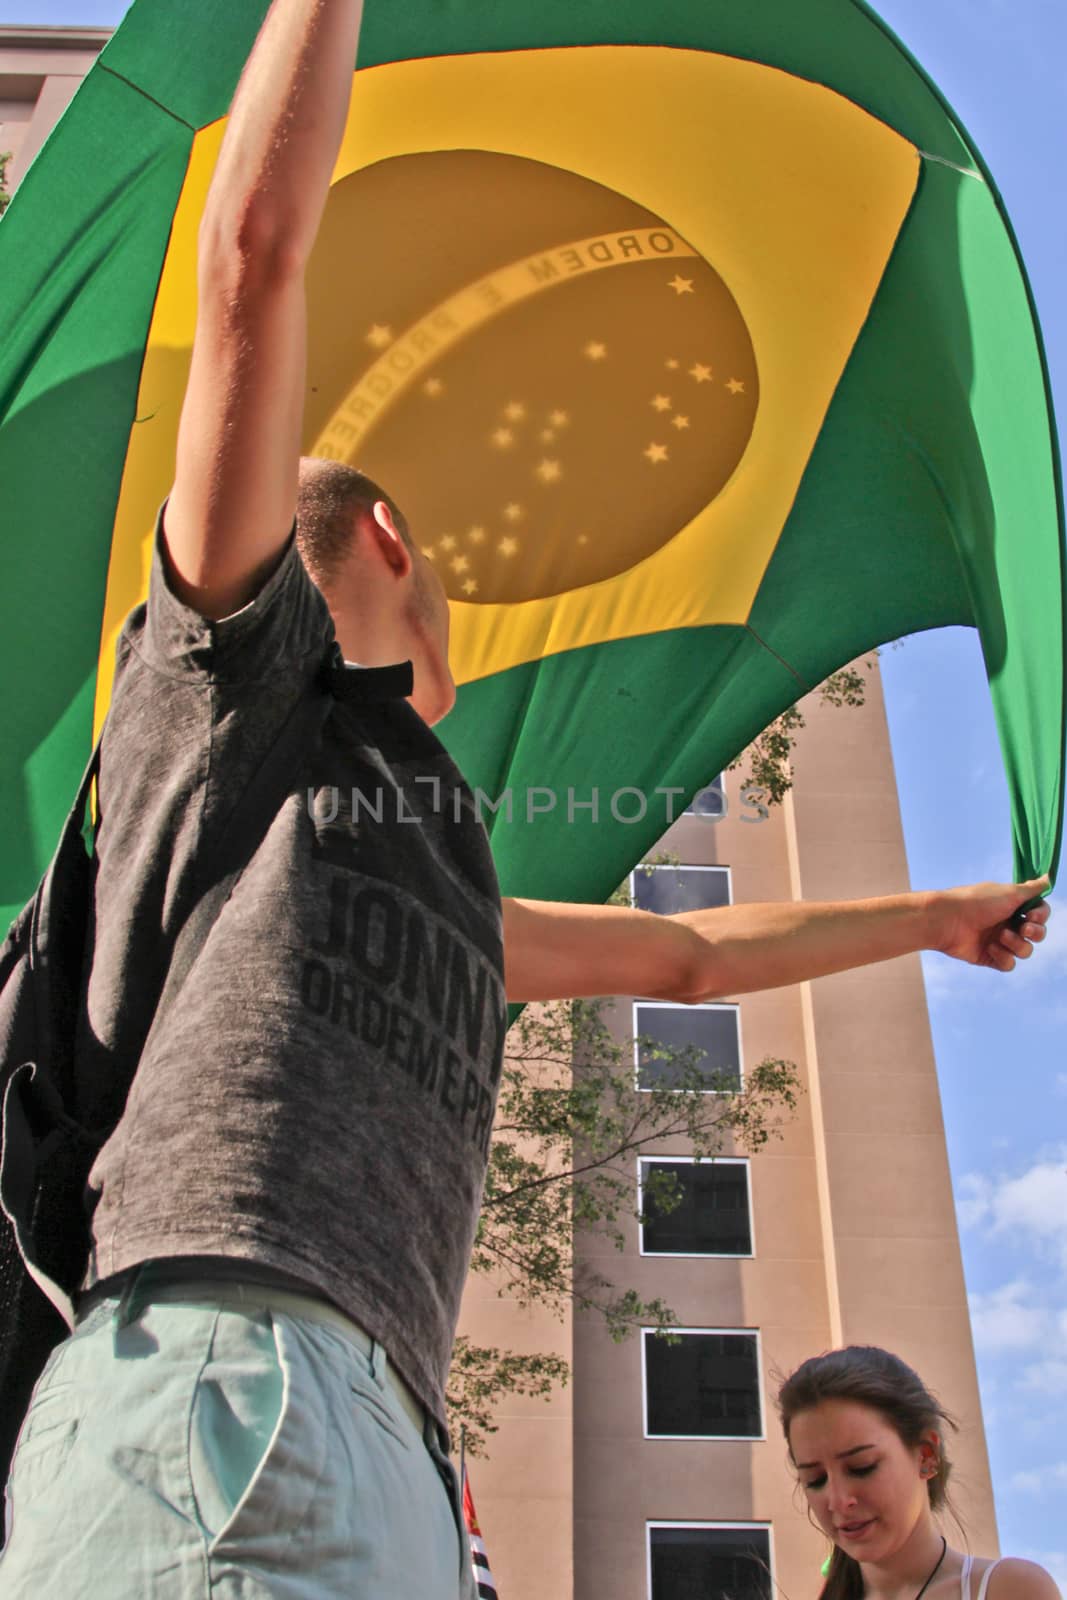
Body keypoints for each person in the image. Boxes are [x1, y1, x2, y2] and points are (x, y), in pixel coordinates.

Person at [0, 0, 1051, 1595]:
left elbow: (686, 963)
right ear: (397, 549)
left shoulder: (425, 857)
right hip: (221, 1373)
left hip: (393, 1426)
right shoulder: (233, 698)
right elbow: (250, 269)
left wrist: (934, 915)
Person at [777, 1346, 1061, 1600]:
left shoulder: (1009, 1589)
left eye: (861, 1467)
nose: (839, 1500)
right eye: (815, 1480)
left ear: (926, 1455)